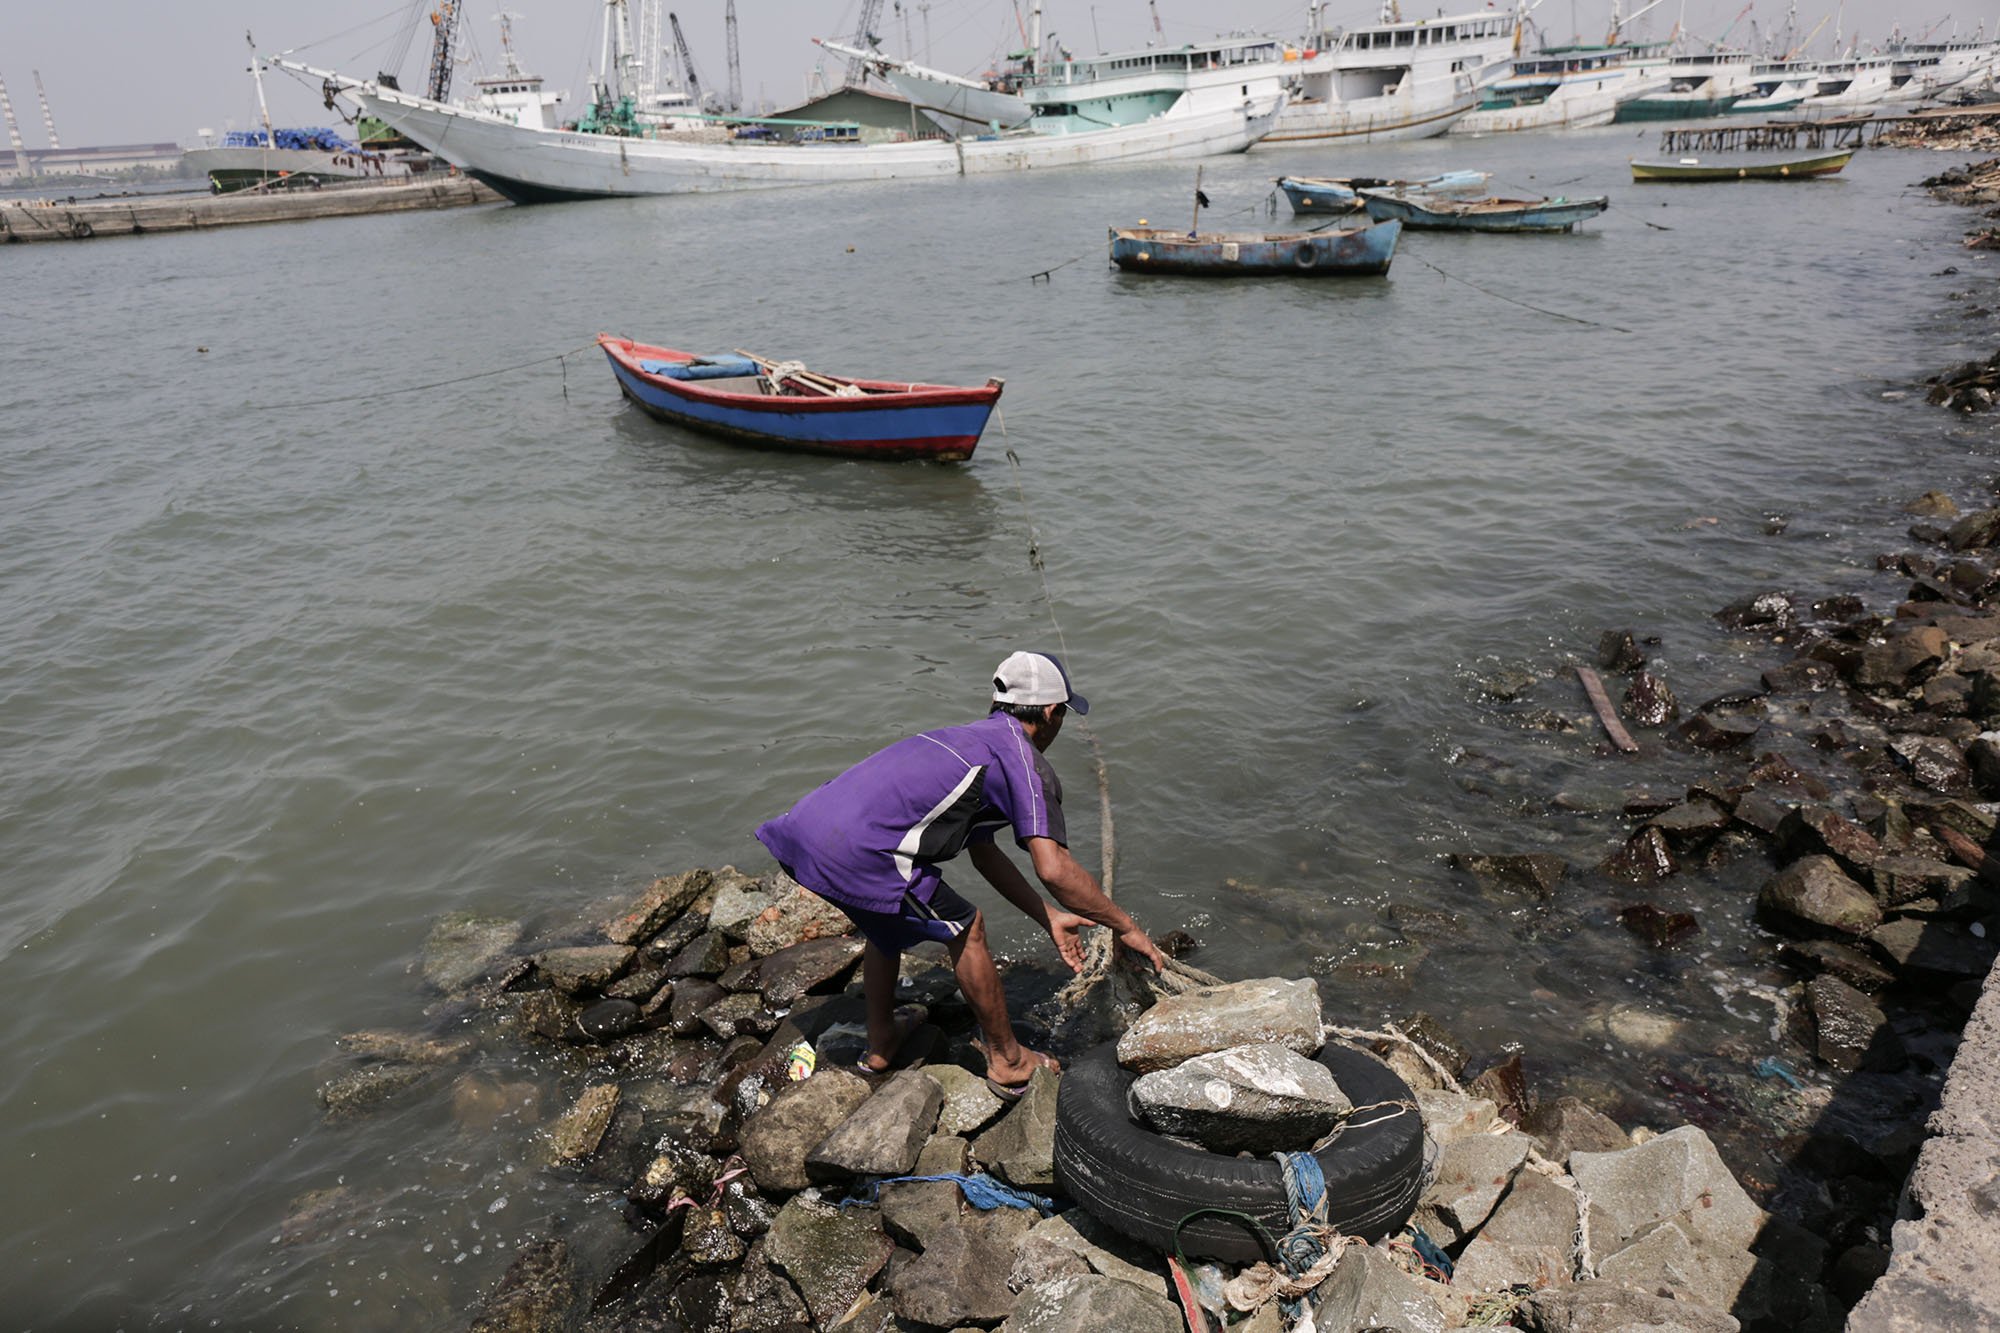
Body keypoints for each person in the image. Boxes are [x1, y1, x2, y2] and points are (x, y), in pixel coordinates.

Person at [754, 650, 1166, 1097]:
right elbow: (1055, 869)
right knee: (966, 928)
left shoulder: (969, 740)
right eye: (1062, 715)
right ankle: (1008, 1060)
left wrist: (1047, 916)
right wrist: (1124, 927)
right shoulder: (1025, 765)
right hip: (861, 853)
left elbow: (983, 852)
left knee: (886, 927)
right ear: (1050, 713)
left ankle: (881, 1043)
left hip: (801, 836)